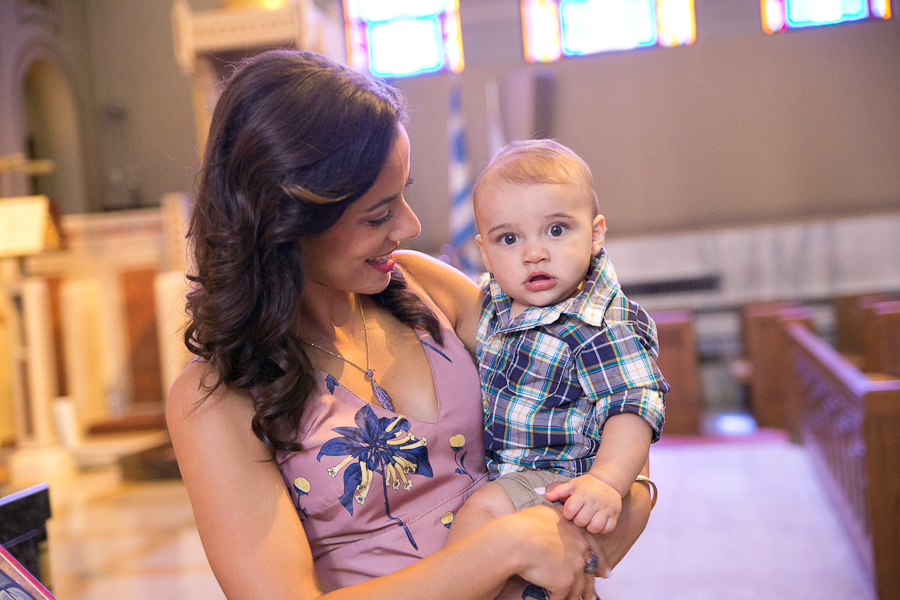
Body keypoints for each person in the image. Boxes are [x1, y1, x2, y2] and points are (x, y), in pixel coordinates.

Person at [166, 50, 654, 600]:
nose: (410, 225)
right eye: (378, 214)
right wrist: (504, 549)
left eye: (403, 194)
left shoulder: (424, 288)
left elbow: (592, 389)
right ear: (285, 221)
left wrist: (624, 496)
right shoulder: (215, 400)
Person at [446, 140, 668, 556]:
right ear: (485, 253)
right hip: (503, 466)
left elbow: (632, 409)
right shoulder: (495, 301)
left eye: (557, 230)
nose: (534, 253)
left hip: (561, 476)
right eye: (508, 238)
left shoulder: (601, 324)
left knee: (480, 517)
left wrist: (606, 481)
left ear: (595, 233)